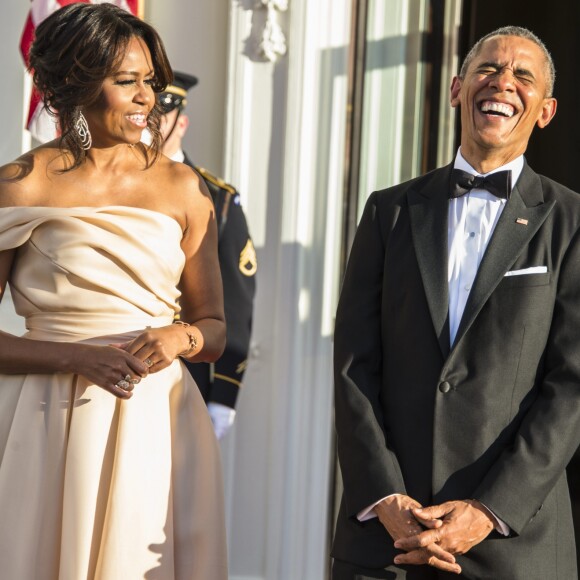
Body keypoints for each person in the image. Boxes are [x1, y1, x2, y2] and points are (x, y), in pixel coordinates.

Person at [332, 25, 580, 579]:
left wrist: (490, 510)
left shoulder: (571, 222)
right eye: (488, 69)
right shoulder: (388, 212)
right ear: (455, 89)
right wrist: (385, 497)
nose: (503, 83)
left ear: (546, 111)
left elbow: (571, 386)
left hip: (514, 544)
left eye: (523, 76)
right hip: (389, 538)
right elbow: (353, 365)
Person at [0, 4, 228, 579]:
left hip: (156, 420)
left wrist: (180, 336)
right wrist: (77, 357)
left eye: (150, 81)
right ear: (75, 83)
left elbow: (216, 330)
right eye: (126, 81)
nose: (147, 97)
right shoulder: (20, 184)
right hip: (47, 418)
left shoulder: (183, 187)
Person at [156, 72, 257, 440]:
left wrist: (225, 394)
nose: (152, 125)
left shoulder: (217, 198)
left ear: (181, 122)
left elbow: (237, 302)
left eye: (161, 117)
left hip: (189, 372)